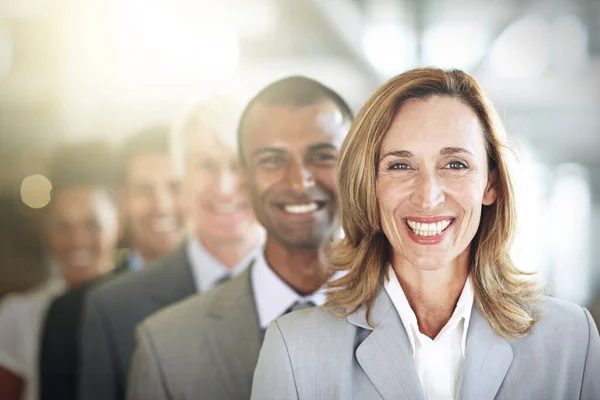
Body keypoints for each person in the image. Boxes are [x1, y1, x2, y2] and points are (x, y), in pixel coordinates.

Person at [251, 67, 600, 400]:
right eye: (400, 165)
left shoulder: (571, 340)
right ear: (369, 186)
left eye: (455, 165)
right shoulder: (294, 350)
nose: (428, 197)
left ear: (490, 184)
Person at [126, 76, 352, 400]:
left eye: (322, 155)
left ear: (355, 166)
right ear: (246, 176)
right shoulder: (166, 346)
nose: (299, 183)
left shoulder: (413, 318)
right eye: (272, 160)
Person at [77, 97, 264, 400]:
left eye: (238, 164)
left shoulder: (325, 289)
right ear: (182, 178)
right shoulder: (113, 308)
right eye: (205, 165)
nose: (224, 185)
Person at [39, 125, 186, 400]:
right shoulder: (72, 312)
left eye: (176, 187)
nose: (162, 205)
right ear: (123, 199)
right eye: (144, 190)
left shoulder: (236, 294)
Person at [0, 142, 120, 400]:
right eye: (63, 227)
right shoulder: (19, 314)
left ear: (118, 224)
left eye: (92, 224)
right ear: (46, 230)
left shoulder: (139, 304)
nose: (77, 240)